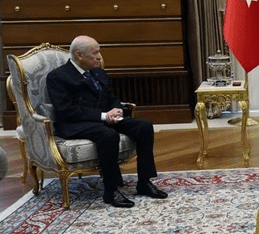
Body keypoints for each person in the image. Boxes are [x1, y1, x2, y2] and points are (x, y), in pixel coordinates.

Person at [46, 35, 168, 208]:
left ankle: (144, 182)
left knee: (144, 126)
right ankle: (111, 190)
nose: (99, 57)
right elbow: (67, 111)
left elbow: (111, 97)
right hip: (75, 124)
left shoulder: (97, 72)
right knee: (108, 135)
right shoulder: (58, 77)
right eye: (95, 53)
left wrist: (117, 109)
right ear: (79, 55)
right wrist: (104, 116)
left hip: (104, 118)